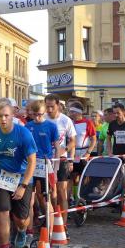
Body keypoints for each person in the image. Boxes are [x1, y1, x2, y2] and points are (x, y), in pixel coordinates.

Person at [0, 100, 37, 248]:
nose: (3, 119)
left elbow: (32, 161)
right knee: (1, 214)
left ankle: (22, 230)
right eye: (0, 116)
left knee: (21, 219)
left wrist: (23, 185)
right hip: (1, 178)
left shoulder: (24, 133)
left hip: (22, 178)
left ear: (13, 116)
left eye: (6, 116)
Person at [25, 100, 60, 225]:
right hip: (31, 164)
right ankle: (29, 230)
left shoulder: (51, 126)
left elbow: (57, 148)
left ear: (44, 112)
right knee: (29, 199)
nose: (37, 117)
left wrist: (55, 170)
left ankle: (51, 226)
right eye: (34, 115)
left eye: (39, 114)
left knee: (47, 197)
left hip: (45, 164)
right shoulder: (28, 126)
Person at [44, 95, 76, 225]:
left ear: (58, 105)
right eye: (47, 106)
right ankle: (52, 220)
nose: (49, 109)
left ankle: (63, 224)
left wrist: (65, 150)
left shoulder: (65, 120)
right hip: (46, 160)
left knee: (62, 191)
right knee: (49, 192)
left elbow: (73, 141)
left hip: (61, 159)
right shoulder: (43, 118)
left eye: (52, 106)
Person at [68, 102, 96, 198]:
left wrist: (88, 152)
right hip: (73, 154)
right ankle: (75, 197)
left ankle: (85, 196)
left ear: (78, 112)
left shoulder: (88, 123)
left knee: (84, 177)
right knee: (73, 176)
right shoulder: (70, 122)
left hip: (83, 153)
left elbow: (94, 139)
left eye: (72, 111)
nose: (70, 113)